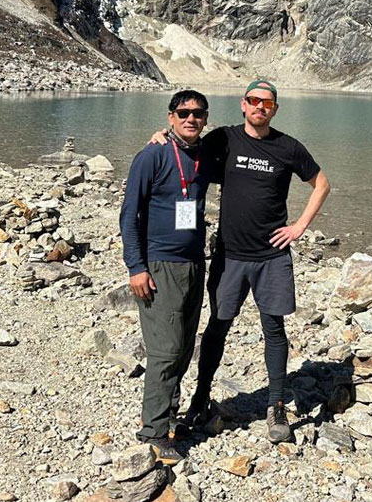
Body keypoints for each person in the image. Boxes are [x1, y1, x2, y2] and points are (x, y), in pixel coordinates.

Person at [153, 78, 331, 443]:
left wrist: (298, 227)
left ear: (274, 109)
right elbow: (188, 147)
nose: (260, 107)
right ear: (243, 104)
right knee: (218, 326)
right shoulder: (226, 138)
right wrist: (161, 136)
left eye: (267, 102)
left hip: (271, 256)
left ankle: (276, 403)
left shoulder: (287, 147)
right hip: (229, 255)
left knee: (274, 329)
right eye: (253, 100)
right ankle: (201, 398)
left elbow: (322, 184)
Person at [120, 89, 215, 464]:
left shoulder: (205, 154)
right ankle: (154, 432)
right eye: (183, 112)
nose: (190, 118)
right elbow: (129, 215)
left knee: (183, 347)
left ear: (205, 118)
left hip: (194, 263)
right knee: (164, 351)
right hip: (159, 265)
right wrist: (136, 267)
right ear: (171, 116)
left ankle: (168, 419)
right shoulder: (153, 155)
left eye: (198, 113)